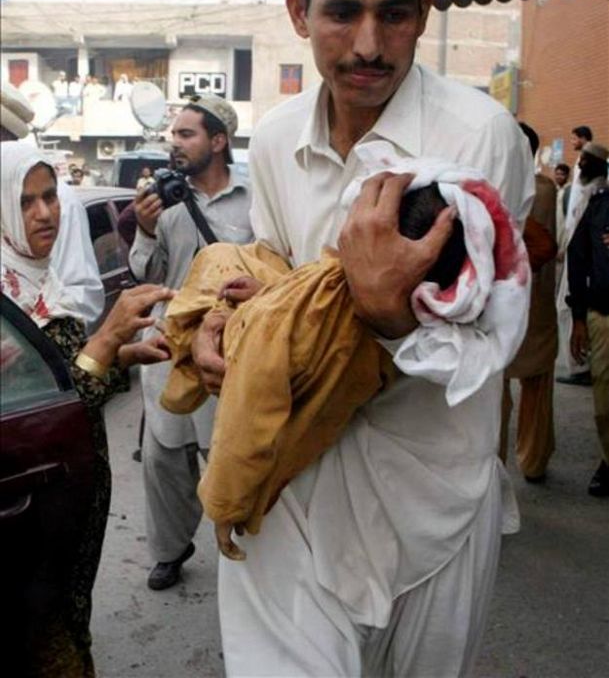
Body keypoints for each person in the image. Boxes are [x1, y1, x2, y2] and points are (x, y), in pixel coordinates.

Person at [193, 0, 534, 676]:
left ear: (425, 10)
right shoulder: (276, 138)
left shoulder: (475, 137)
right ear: (297, 13)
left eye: (394, 15)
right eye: (341, 12)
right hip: (296, 474)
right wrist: (223, 323)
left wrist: (389, 319)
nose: (368, 45)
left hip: (434, 487)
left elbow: (490, 339)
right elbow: (267, 277)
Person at [162, 153, 530, 562]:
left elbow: (247, 422)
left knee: (216, 266)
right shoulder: (395, 345)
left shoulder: (306, 319)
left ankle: (182, 379)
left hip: (261, 351)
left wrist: (227, 505)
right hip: (382, 519)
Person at [0, 141, 174, 677]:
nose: (45, 212)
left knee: (71, 616)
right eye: (26, 201)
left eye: (50, 195)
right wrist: (106, 345)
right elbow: (44, 410)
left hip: (72, 497)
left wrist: (121, 356)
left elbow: (59, 376)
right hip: (28, 507)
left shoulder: (45, 279)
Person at [128, 93, 254, 591]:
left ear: (218, 141)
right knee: (163, 461)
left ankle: (249, 546)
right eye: (173, 135)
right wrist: (143, 228)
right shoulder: (162, 202)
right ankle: (170, 551)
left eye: (186, 134)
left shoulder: (254, 197)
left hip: (233, 347)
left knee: (230, 455)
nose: (174, 144)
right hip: (170, 348)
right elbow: (144, 275)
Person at [1, 82, 105, 330]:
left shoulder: (61, 199)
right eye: (25, 203)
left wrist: (38, 333)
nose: (43, 213)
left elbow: (83, 295)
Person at [501, 122, 558, 482]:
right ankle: (534, 460)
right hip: (538, 302)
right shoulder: (546, 188)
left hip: (504, 302)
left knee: (494, 394)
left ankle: (493, 463)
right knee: (538, 390)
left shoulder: (498, 187)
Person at [567, 143, 609, 497]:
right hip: (603, 317)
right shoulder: (600, 207)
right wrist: (578, 317)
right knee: (605, 402)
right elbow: (578, 259)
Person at [557, 135, 605, 386]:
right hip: (574, 259)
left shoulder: (598, 191)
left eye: (586, 159)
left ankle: (583, 366)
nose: (581, 163)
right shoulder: (582, 186)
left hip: (587, 265)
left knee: (573, 310)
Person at [554, 162, 571, 245]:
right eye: (557, 174)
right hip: (555, 222)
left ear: (567, 176)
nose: (559, 177)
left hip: (564, 222)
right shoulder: (555, 189)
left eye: (562, 174)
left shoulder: (569, 190)